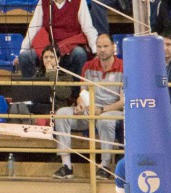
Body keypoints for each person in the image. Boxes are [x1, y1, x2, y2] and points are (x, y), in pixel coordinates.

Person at [52, 33, 124, 178]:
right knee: (61, 114)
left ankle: (105, 166)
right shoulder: (88, 66)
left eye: (106, 46)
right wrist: (80, 104)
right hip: (90, 109)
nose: (102, 50)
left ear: (113, 47)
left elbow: (124, 101)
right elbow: (83, 92)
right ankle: (66, 166)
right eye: (99, 46)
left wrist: (102, 110)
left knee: (105, 120)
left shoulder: (123, 67)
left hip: (112, 110)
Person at [17, 0, 98, 77]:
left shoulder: (79, 1)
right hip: (48, 50)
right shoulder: (44, 1)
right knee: (24, 57)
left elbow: (88, 29)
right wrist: (23, 50)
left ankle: (76, 87)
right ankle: (35, 86)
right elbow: (33, 28)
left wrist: (96, 52)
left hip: (69, 49)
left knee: (80, 54)